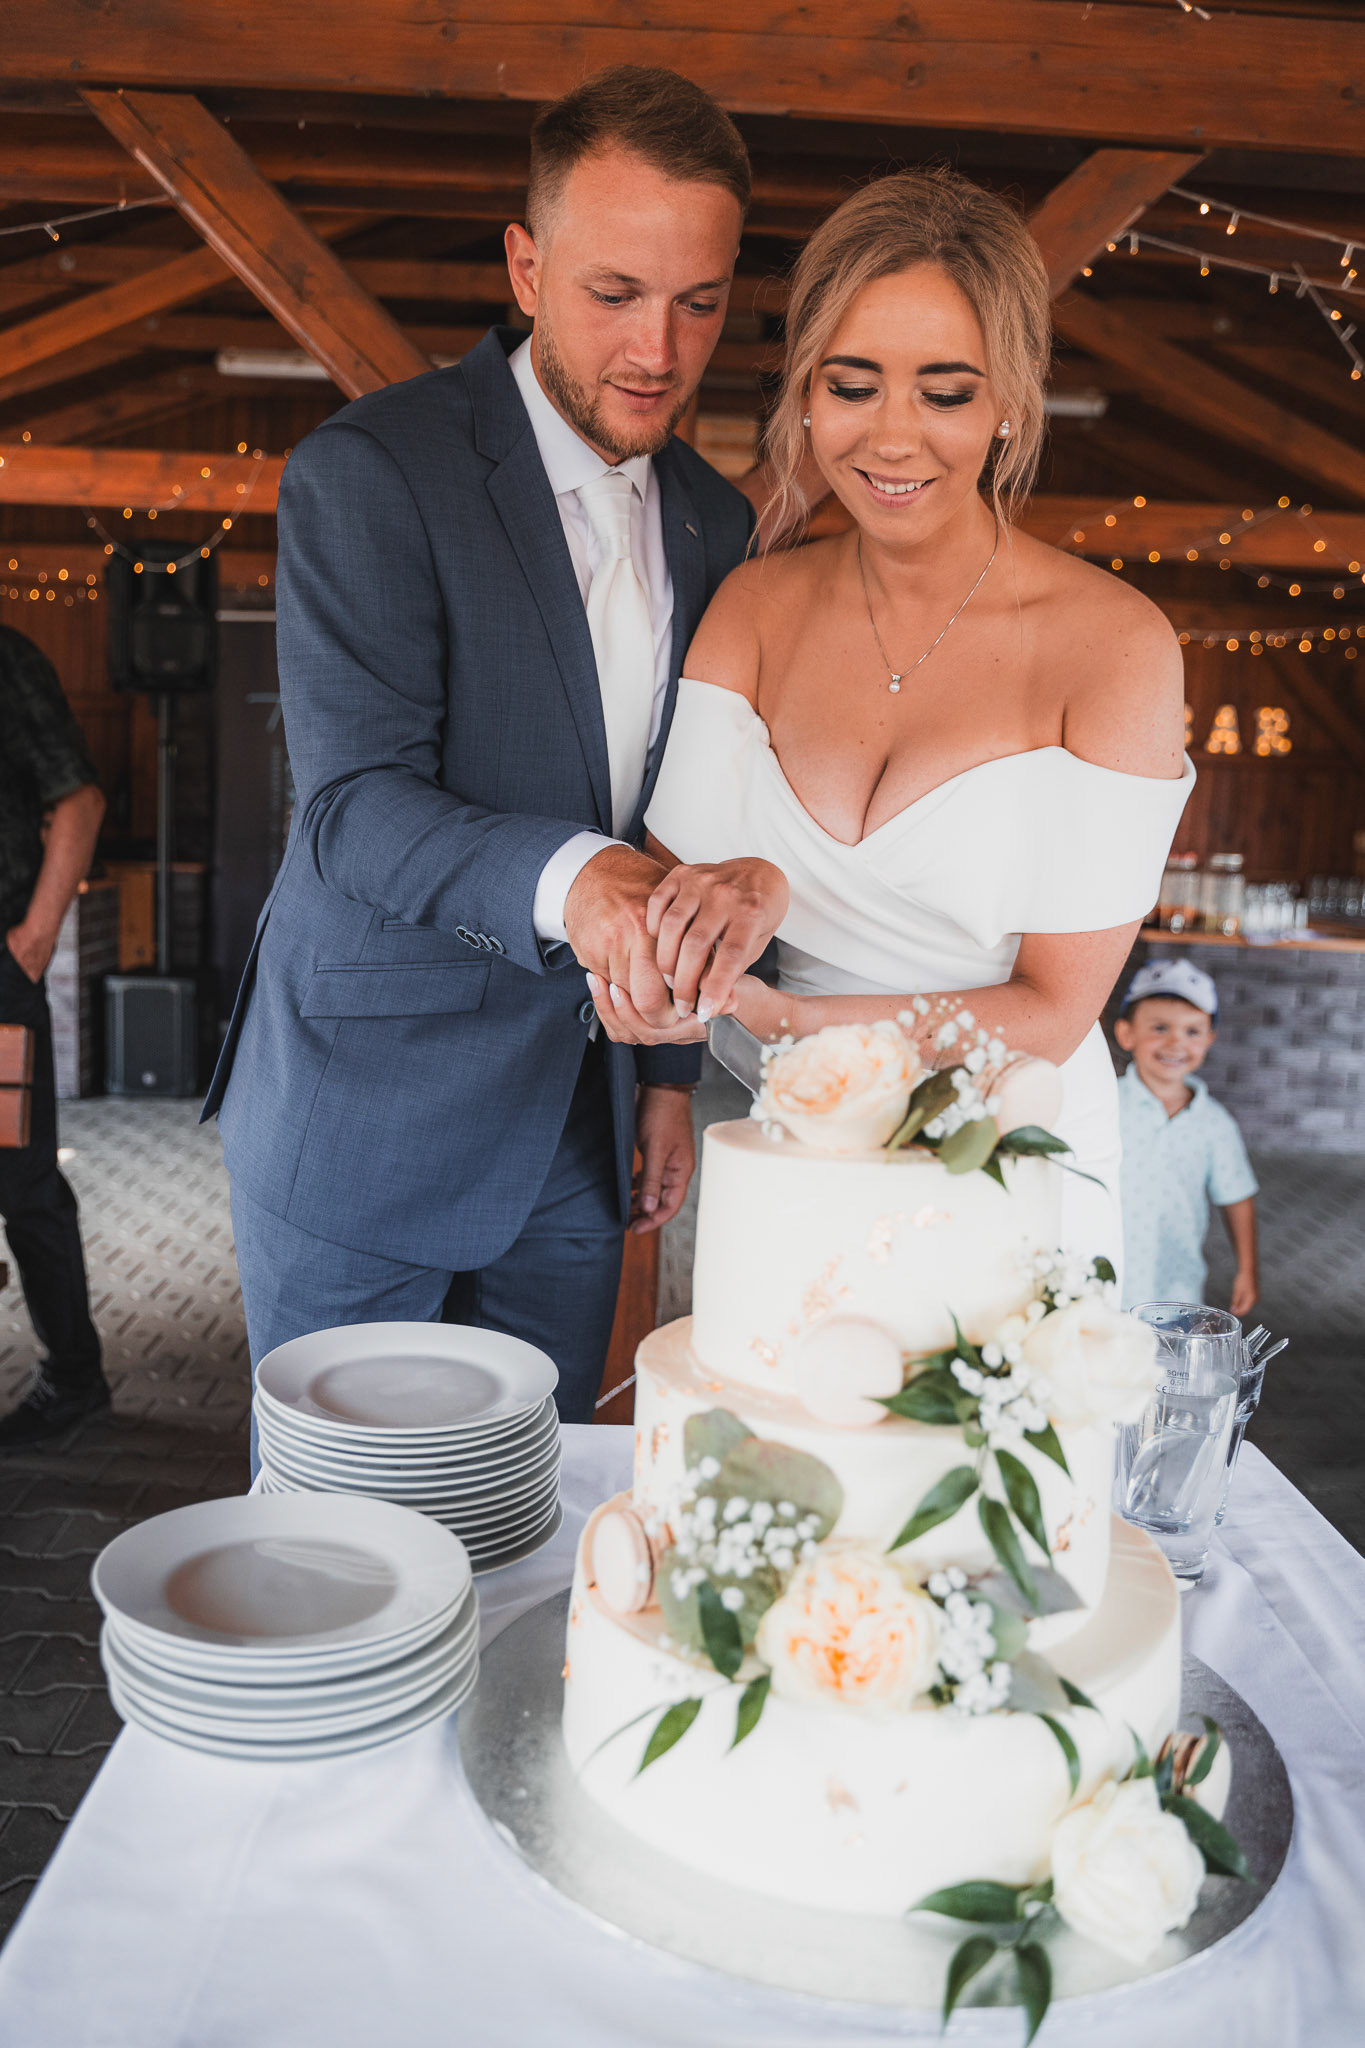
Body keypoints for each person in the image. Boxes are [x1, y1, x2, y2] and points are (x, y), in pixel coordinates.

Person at [204, 67, 777, 1426]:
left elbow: (691, 813)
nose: (659, 348)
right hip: (365, 1112)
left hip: (578, 1131)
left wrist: (668, 1084)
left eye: (699, 302)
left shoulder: (718, 521)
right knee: (340, 1525)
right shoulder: (371, 469)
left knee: (534, 1507)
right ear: (525, 267)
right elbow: (354, 808)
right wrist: (581, 880)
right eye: (614, 292)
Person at [595, 167, 1196, 1276]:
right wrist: (677, 969)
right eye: (854, 384)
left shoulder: (1118, 648)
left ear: (1010, 401)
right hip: (800, 1150)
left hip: (1011, 1158)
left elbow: (1055, 1011)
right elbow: (675, 903)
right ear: (806, 392)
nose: (893, 437)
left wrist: (774, 1021)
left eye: (946, 393)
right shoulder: (752, 609)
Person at [0, 623, 108, 1447]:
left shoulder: (6, 659)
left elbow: (79, 800)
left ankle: (74, 1379)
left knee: (22, 1184)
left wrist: (31, 947)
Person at [1113, 959, 1259, 1316]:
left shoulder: (1215, 1123)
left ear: (1209, 1039)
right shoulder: (1105, 1103)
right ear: (1126, 1033)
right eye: (1160, 1027)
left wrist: (1248, 1269)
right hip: (1106, 1280)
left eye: (1192, 1031)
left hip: (1176, 1287)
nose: (1176, 1043)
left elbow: (1237, 1196)